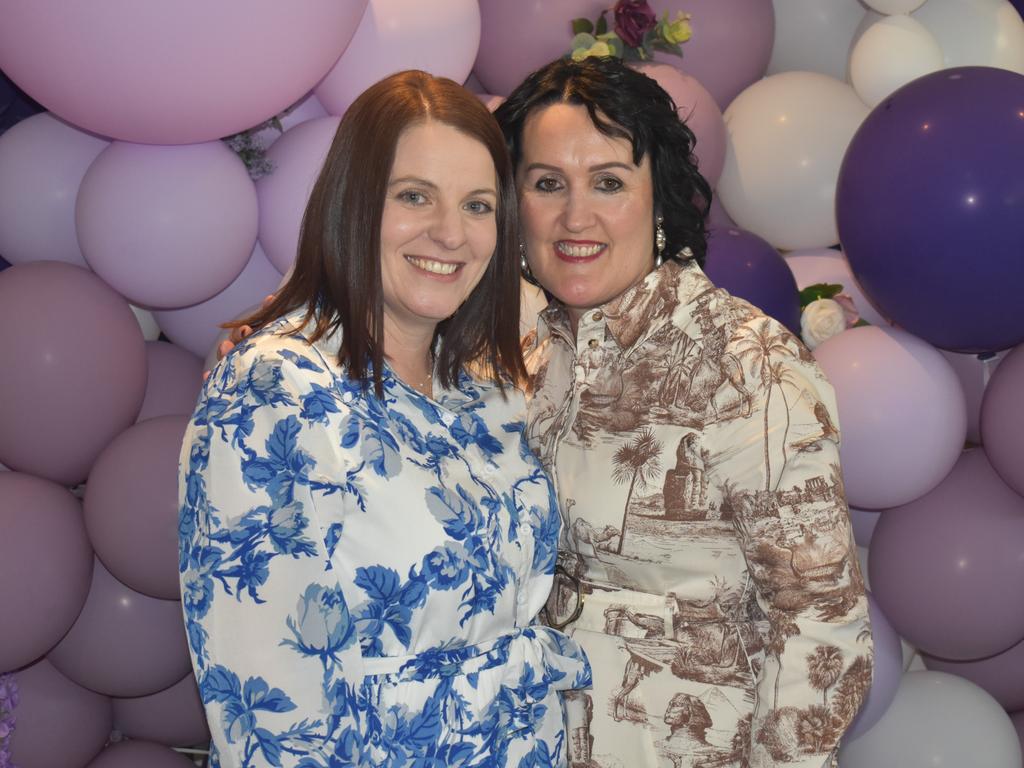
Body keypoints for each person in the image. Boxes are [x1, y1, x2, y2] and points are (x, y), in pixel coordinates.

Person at [178, 70, 590, 768]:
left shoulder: (484, 391)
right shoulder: (277, 391)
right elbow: (269, 714)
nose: (450, 233)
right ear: (355, 202)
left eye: (479, 205)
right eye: (414, 197)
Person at [493, 57, 871, 768]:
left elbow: (823, 630)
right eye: (547, 184)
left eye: (609, 182)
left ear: (658, 198)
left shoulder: (748, 364)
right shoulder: (524, 356)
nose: (576, 216)